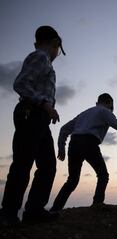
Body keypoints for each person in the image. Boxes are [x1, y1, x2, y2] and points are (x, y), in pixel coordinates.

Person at [0, 26, 65, 226]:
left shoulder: (41, 58)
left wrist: (48, 110)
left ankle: (33, 210)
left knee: (47, 165)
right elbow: (20, 83)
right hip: (31, 114)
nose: (56, 55)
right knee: (23, 163)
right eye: (58, 50)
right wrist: (45, 104)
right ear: (55, 44)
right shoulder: (41, 57)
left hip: (39, 117)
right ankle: (9, 214)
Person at [50, 93, 117, 211]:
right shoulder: (105, 112)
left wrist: (61, 147)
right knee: (103, 175)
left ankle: (55, 209)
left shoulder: (84, 113)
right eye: (112, 107)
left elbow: (64, 129)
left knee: (72, 180)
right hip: (89, 142)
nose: (112, 110)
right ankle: (97, 203)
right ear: (109, 103)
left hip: (74, 143)